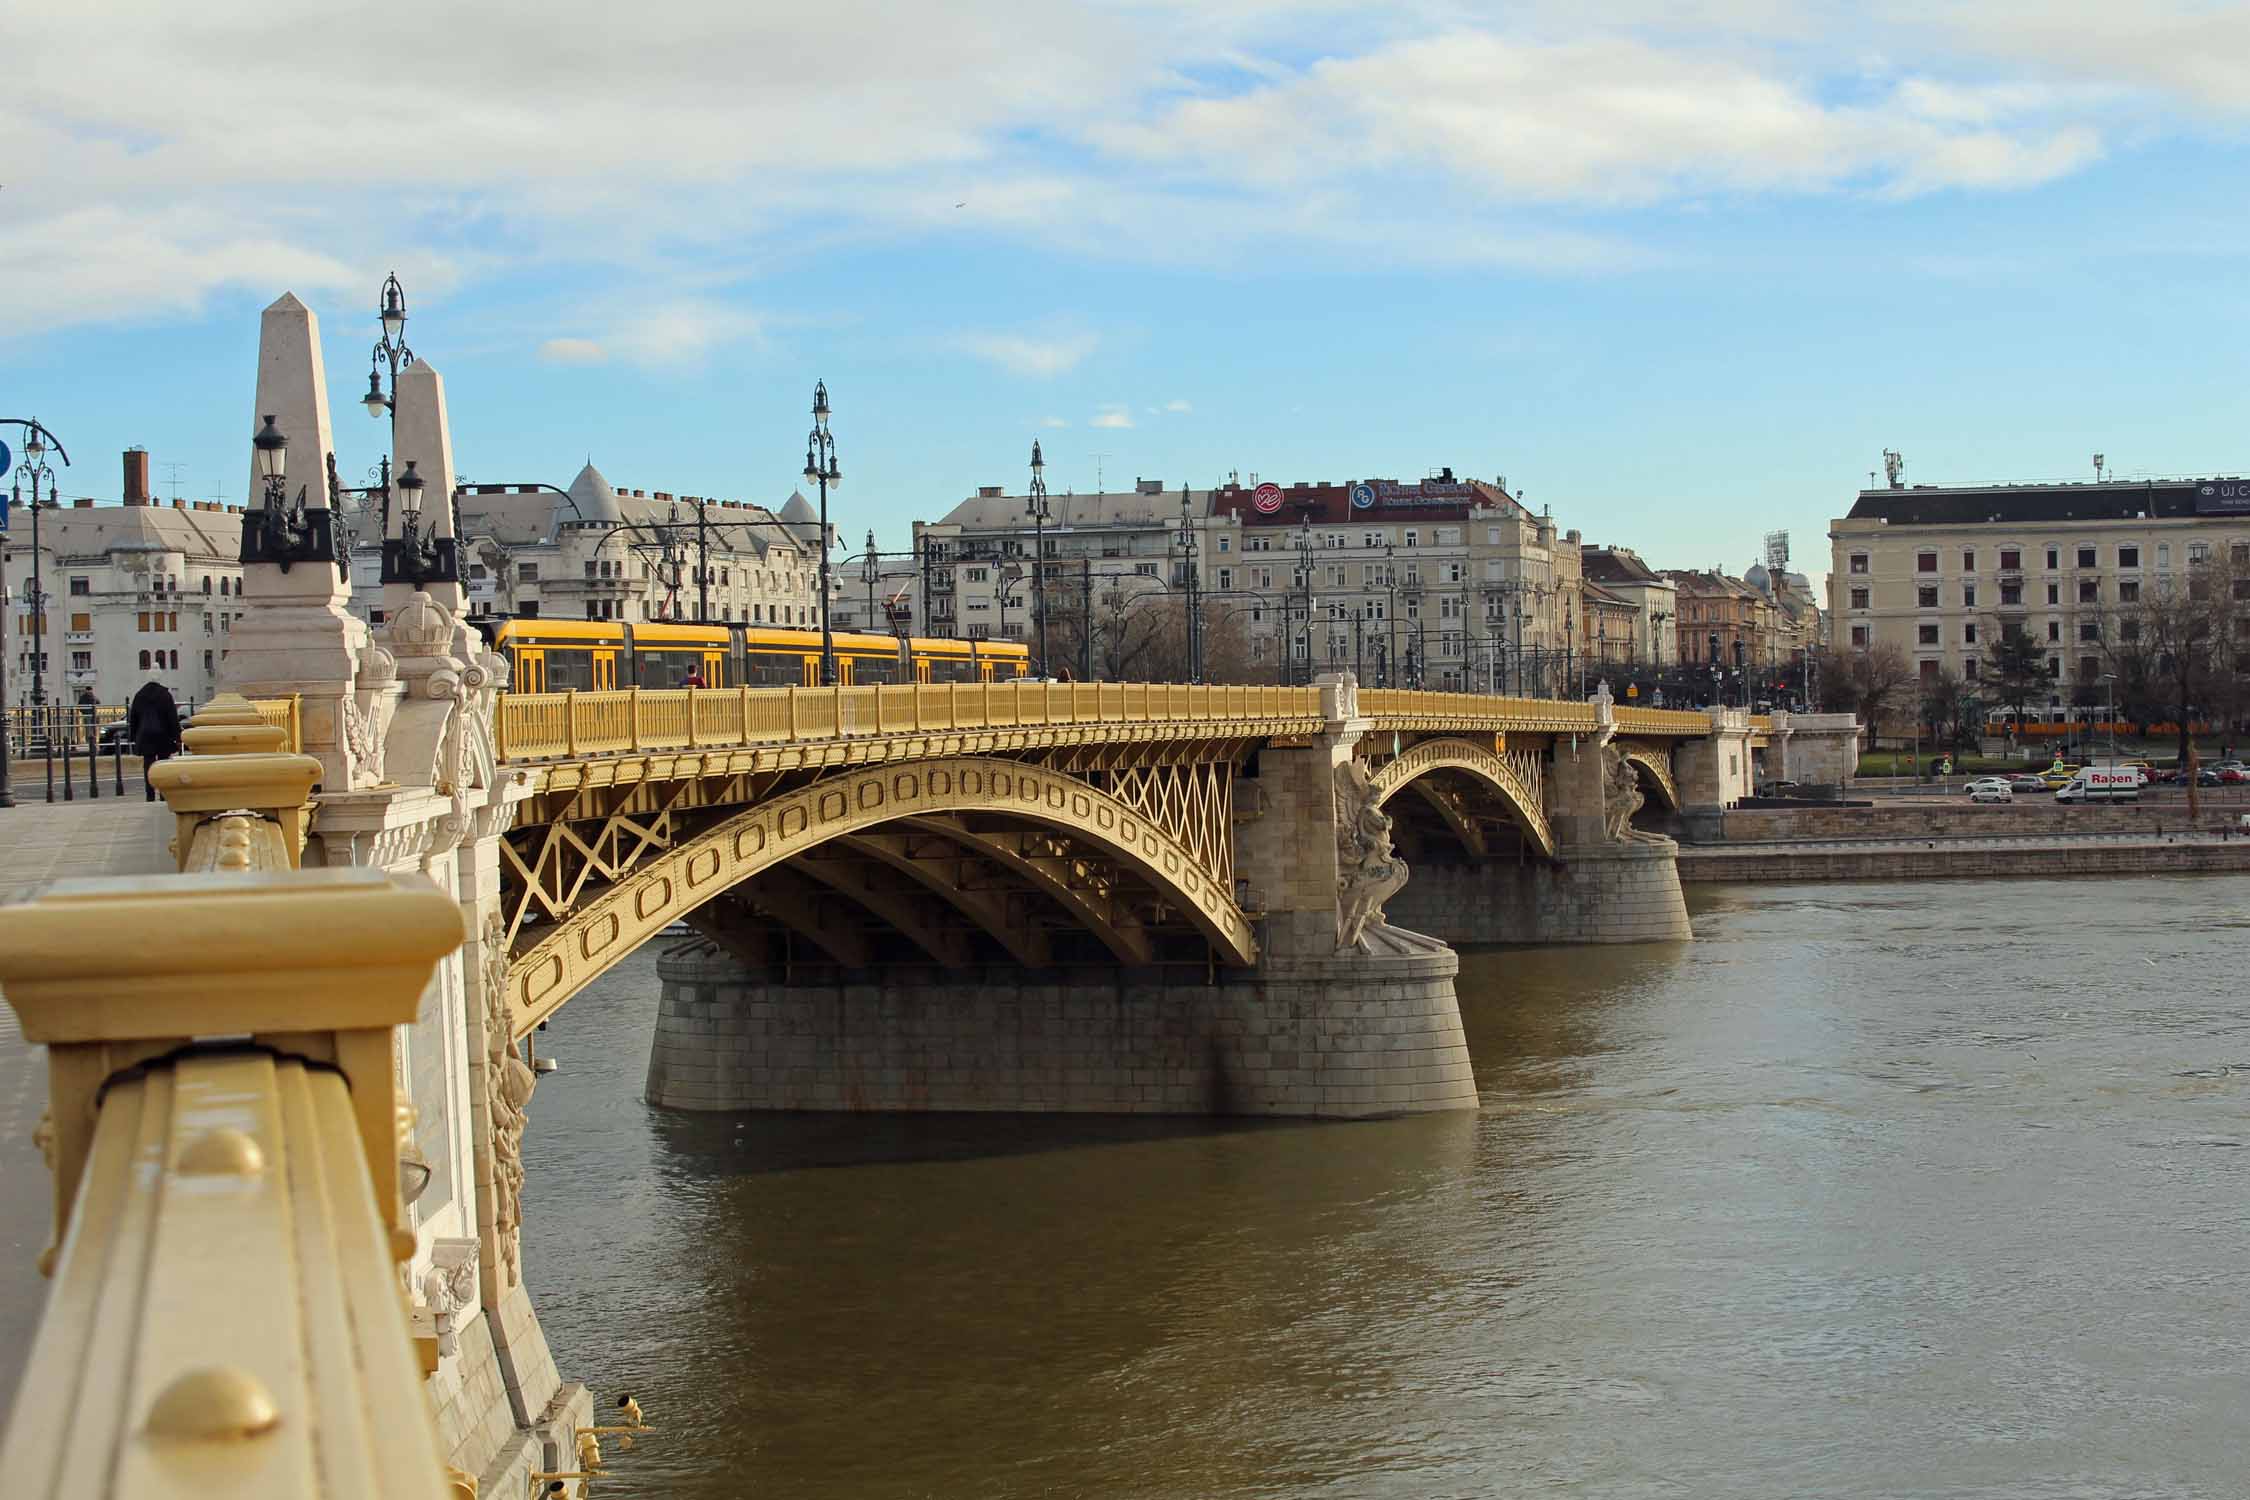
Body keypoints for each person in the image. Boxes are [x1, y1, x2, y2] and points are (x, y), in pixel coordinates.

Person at [127, 680, 182, 801]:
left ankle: (149, 794)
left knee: (148, 765)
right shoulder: (165, 695)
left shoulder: (139, 695)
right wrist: (177, 737)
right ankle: (163, 794)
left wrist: (134, 736)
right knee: (163, 765)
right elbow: (172, 717)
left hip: (145, 735)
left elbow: (134, 717)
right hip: (163, 735)